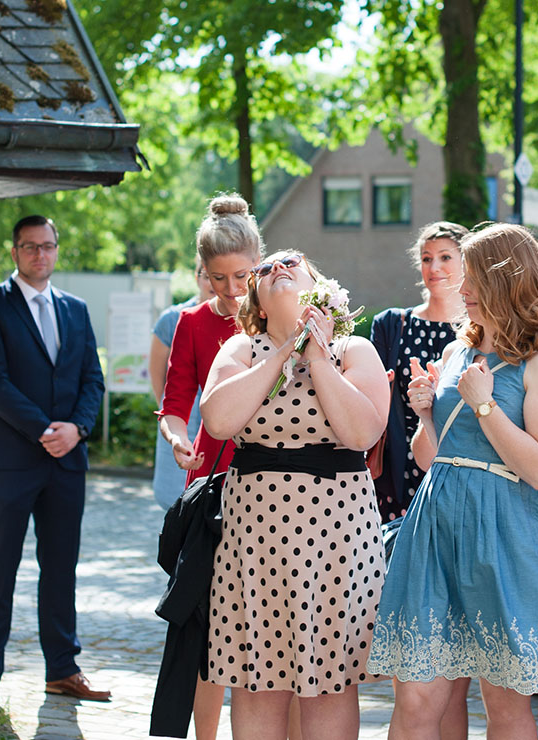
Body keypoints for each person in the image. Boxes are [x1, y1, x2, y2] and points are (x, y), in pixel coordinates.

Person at [369, 223, 538, 740]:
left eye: (470, 276)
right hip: (437, 527)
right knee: (416, 695)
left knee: (505, 702)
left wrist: (485, 406)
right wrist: (425, 414)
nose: (459, 286)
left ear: (504, 281)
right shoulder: (455, 354)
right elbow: (432, 459)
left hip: (507, 533)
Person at [199, 250, 389, 740]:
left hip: (337, 541)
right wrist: (284, 351)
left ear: (317, 286)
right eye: (266, 269)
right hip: (256, 543)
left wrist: (316, 354)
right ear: (257, 302)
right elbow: (219, 421)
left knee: (330, 685)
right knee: (256, 681)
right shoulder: (240, 351)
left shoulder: (354, 351)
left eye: (291, 263)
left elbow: (361, 432)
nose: (277, 269)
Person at [0, 215, 109, 714]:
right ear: (15, 252)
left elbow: (93, 378)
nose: (39, 255)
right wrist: (44, 430)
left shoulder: (76, 309)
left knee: (60, 570)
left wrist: (77, 428)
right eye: (29, 247)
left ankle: (63, 671)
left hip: (66, 463)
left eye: (47, 246)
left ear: (56, 248)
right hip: (11, 462)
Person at [157, 194, 263, 739]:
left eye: (241, 276)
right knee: (207, 623)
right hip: (212, 480)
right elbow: (175, 406)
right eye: (217, 279)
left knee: (263, 622)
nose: (230, 291)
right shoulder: (192, 322)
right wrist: (177, 441)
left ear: (259, 264)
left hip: (275, 484)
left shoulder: (285, 317)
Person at [369, 221, 469, 522]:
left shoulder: (479, 333)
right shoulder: (392, 325)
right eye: (427, 258)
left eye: (445, 257)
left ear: (468, 262)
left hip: (460, 468)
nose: (434, 266)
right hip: (399, 471)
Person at [150, 258, 215, 510]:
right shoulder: (172, 319)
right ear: (196, 276)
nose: (212, 282)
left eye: (218, 275)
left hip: (218, 424)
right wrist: (172, 418)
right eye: (206, 275)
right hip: (182, 421)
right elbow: (158, 377)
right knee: (175, 499)